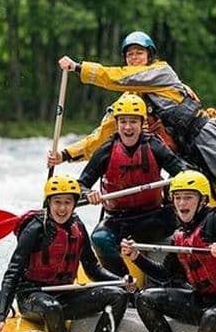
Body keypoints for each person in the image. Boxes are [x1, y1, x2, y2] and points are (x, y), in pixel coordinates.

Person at [57, 31, 216, 197]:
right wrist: (65, 154)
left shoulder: (161, 72)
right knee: (201, 194)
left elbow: (118, 78)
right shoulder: (129, 101)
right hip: (183, 152)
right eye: (130, 55)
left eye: (139, 53)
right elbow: (102, 135)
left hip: (204, 134)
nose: (134, 58)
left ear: (150, 56)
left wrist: (78, 68)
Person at [120, 171, 216, 332]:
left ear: (203, 200)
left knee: (213, 317)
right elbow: (165, 275)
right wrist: (136, 257)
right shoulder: (180, 235)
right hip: (203, 300)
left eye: (188, 197)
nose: (181, 203)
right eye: (177, 197)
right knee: (145, 298)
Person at [0, 175, 129, 332]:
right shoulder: (35, 228)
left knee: (119, 296)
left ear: (74, 204)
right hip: (32, 296)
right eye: (57, 202)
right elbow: (12, 273)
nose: (62, 208)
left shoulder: (78, 226)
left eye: (67, 202)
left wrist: (121, 280)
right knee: (52, 307)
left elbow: (92, 269)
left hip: (65, 294)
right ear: (49, 202)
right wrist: (1, 316)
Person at [78, 92, 191, 277]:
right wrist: (88, 194)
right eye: (123, 121)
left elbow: (183, 171)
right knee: (99, 238)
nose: (128, 127)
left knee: (183, 229)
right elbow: (80, 185)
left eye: (133, 121)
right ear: (117, 124)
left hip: (155, 218)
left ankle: (173, 278)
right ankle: (124, 283)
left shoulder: (154, 146)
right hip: (119, 221)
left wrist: (176, 186)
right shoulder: (106, 151)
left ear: (142, 123)